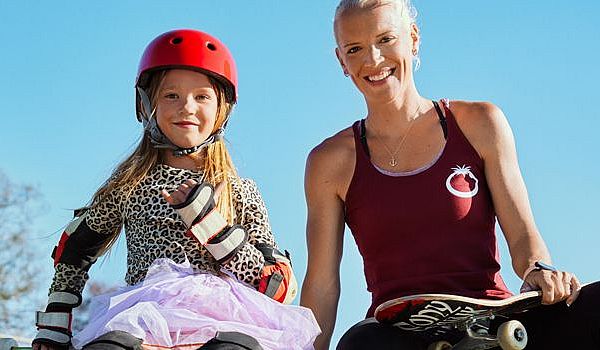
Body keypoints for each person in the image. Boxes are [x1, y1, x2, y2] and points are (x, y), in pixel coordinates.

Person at [299, 1, 600, 349]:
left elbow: (523, 238)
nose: (374, 59)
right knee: (360, 343)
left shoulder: (479, 123)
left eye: (385, 39)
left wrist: (540, 270)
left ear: (413, 38)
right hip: (401, 336)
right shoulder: (329, 162)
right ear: (341, 61)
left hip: (496, 322)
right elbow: (322, 284)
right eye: (355, 49)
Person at [32, 29, 320, 350]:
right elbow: (73, 248)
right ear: (146, 105)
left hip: (226, 318)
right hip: (143, 314)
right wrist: (55, 321)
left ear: (222, 110)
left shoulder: (238, 191)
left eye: (202, 96)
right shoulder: (130, 186)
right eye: (171, 96)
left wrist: (213, 229)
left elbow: (277, 286)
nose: (186, 107)